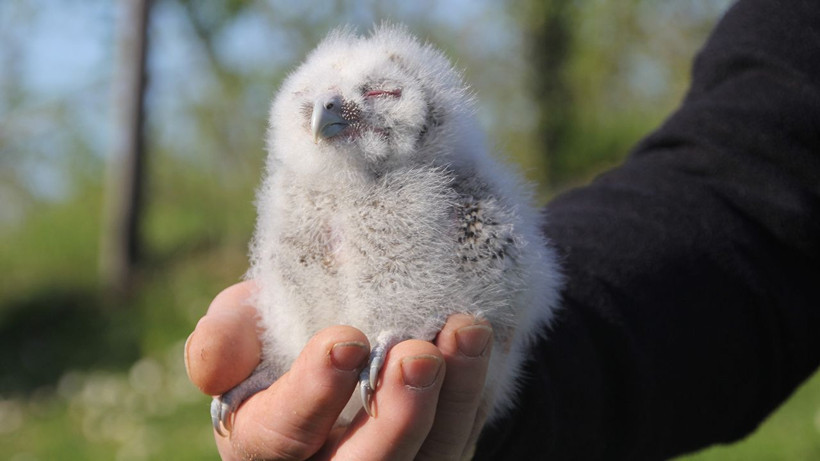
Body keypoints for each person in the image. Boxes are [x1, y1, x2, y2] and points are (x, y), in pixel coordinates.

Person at [184, 0, 820, 458]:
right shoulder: (300, 194)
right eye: (311, 105)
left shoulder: (456, 191)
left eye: (378, 95)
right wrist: (506, 418)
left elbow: (508, 283)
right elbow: (755, 192)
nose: (332, 111)